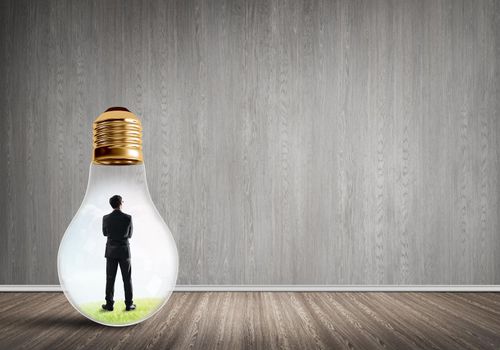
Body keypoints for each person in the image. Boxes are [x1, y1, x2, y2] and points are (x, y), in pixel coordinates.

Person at [101, 195, 136, 311]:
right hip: (124, 252)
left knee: (110, 279)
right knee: (127, 279)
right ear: (121, 203)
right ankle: (129, 304)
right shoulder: (128, 218)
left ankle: (109, 304)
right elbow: (130, 235)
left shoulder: (105, 218)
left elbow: (105, 233)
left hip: (111, 252)